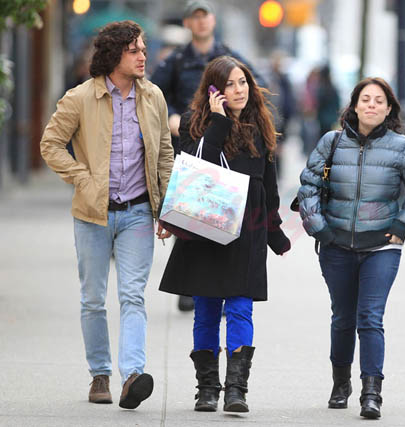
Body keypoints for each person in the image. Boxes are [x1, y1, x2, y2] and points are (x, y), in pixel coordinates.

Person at [40, 21, 173, 409]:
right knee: (93, 299)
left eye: (144, 49)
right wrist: (81, 178)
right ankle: (100, 374)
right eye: (135, 50)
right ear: (114, 54)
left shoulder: (154, 97)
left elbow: (164, 151)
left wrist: (163, 207)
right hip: (92, 215)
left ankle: (132, 374)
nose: (143, 55)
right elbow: (51, 144)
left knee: (133, 295)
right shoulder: (80, 97)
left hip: (137, 212)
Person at [158, 56, 291, 414]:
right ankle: (206, 389)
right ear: (214, 90)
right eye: (230, 84)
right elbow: (195, 167)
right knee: (205, 311)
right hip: (205, 232)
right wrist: (216, 122)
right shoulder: (194, 123)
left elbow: (269, 185)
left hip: (246, 232)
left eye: (243, 82)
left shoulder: (259, 124)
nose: (239, 90)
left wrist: (275, 233)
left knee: (240, 309)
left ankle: (236, 389)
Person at [298, 77, 405, 419]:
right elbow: (308, 187)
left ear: (389, 109)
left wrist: (403, 224)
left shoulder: (403, 147)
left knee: (370, 318)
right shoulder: (331, 143)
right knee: (343, 318)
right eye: (365, 99)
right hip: (336, 245)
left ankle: (371, 393)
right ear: (354, 105)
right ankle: (340, 384)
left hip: (381, 247)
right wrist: (321, 230)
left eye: (379, 101)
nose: (371, 105)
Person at [151, 0, 264, 312]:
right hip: (190, 138)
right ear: (188, 23)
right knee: (191, 204)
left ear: (213, 21)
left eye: (205, 16)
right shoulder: (175, 61)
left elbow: (256, 89)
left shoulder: (231, 58)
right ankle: (192, 283)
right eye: (195, 17)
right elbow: (153, 97)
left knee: (223, 205)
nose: (201, 23)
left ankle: (222, 277)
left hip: (230, 141)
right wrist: (172, 117)